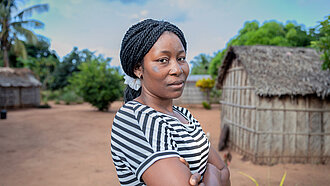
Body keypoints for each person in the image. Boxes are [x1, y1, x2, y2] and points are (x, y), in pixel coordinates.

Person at [110, 19, 230, 186]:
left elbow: (224, 171)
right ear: (138, 69)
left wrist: (212, 175)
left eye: (181, 58)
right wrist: (212, 172)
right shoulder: (133, 118)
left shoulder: (184, 116)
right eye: (163, 60)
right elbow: (219, 171)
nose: (177, 69)